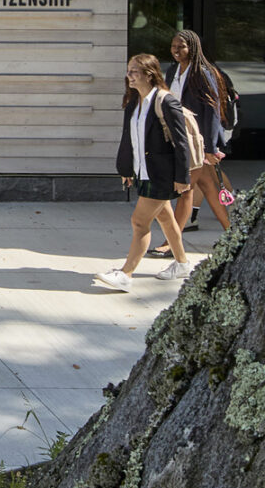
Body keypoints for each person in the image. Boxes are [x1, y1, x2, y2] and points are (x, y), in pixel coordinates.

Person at [96, 53, 194, 291]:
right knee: (165, 218)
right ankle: (182, 263)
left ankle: (126, 274)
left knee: (139, 222)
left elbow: (181, 143)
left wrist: (182, 178)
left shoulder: (165, 102)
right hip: (143, 171)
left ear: (149, 75)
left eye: (134, 71)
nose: (129, 75)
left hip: (162, 174)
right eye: (128, 71)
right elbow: (129, 138)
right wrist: (126, 168)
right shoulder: (133, 102)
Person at [143, 29, 233, 253]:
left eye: (181, 46)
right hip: (179, 138)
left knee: (186, 190)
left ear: (192, 48)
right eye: (173, 46)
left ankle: (171, 244)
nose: (176, 50)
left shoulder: (202, 73)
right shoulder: (173, 71)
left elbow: (212, 110)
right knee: (207, 186)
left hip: (196, 140)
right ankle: (233, 237)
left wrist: (210, 146)